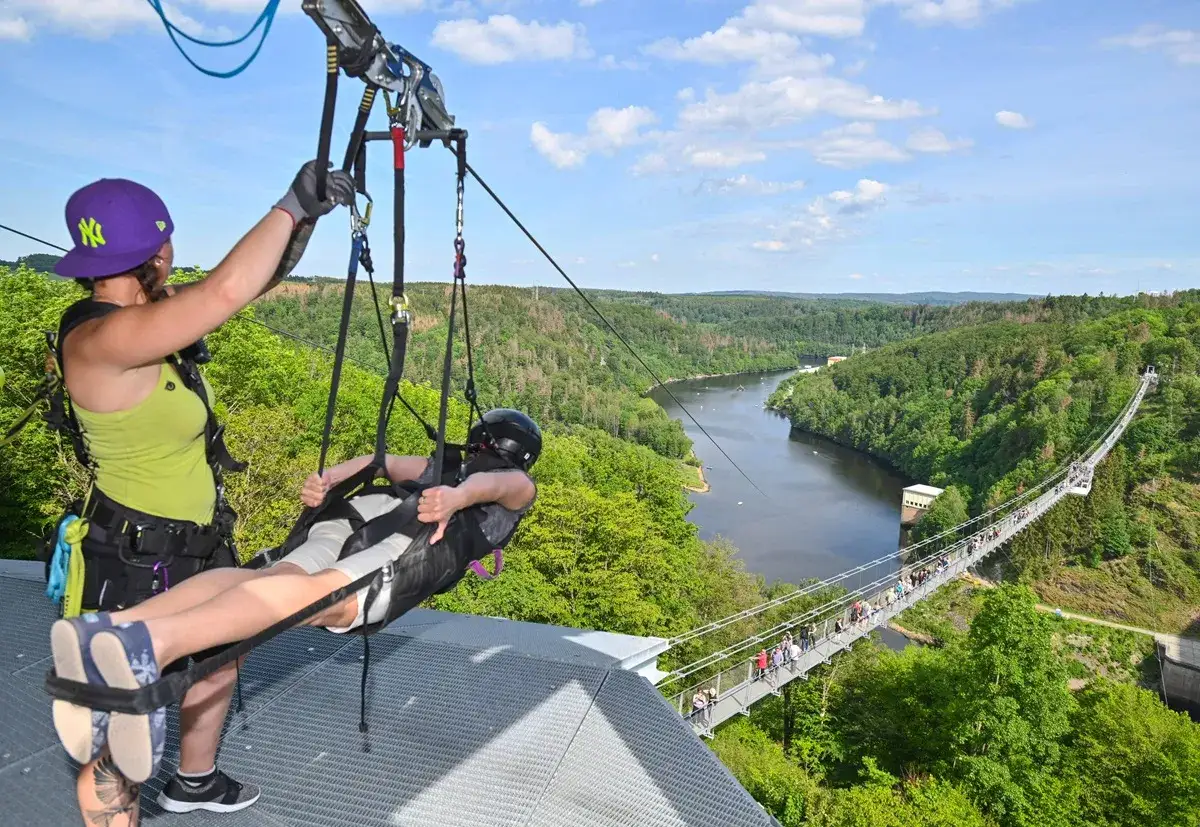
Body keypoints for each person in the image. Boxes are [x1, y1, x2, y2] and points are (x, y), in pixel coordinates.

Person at [46, 162, 356, 824]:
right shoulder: (100, 339)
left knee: (218, 660)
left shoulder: (145, 315)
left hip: (193, 543)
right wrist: (289, 198)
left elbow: (248, 282)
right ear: (158, 250)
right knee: (121, 743)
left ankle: (193, 779)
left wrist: (301, 219)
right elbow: (223, 294)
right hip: (132, 560)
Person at [50, 409, 540, 791]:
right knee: (322, 598)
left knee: (263, 579)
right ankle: (148, 644)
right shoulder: (514, 482)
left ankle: (114, 628)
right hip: (410, 539)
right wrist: (457, 500)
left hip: (359, 514)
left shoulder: (443, 462)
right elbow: (498, 486)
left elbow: (379, 463)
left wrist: (327, 479)